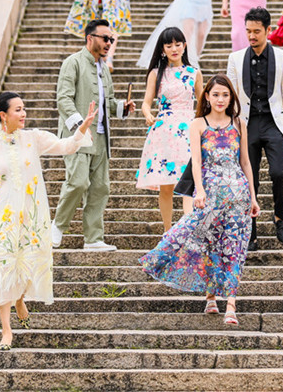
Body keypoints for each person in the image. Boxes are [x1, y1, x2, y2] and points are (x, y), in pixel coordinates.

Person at [0, 92, 97, 350]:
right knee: (3, 264)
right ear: (3, 115)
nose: (23, 113)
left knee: (29, 260)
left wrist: (83, 127)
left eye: (23, 108)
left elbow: (66, 146)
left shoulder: (33, 138)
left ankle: (20, 299)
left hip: (30, 214)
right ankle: (6, 330)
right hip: (0, 217)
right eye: (17, 109)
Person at [140, 74, 260, 326]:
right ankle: (210, 295)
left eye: (225, 95)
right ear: (206, 96)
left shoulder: (239, 123)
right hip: (210, 194)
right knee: (207, 243)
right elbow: (196, 161)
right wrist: (201, 191)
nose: (220, 99)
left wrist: (253, 196)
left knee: (234, 247)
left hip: (238, 195)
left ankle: (231, 304)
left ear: (231, 98)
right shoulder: (198, 124)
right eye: (216, 94)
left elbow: (246, 162)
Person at [52, 19, 137, 252]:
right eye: (105, 38)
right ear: (90, 38)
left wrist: (122, 107)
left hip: (100, 137)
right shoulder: (73, 62)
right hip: (78, 135)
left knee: (100, 188)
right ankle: (57, 226)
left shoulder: (104, 68)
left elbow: (108, 101)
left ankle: (93, 238)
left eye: (112, 39)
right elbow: (63, 98)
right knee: (78, 182)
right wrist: (80, 126)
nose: (109, 43)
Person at [226, 7, 283, 251]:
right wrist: (230, 128)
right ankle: (251, 231)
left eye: (256, 31)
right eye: (248, 31)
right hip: (247, 125)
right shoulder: (235, 59)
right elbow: (230, 96)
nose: (251, 36)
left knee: (278, 172)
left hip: (273, 123)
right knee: (250, 178)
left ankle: (280, 217)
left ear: (268, 30)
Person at [136, 27, 205, 231]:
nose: (174, 49)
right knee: (166, 186)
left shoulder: (194, 73)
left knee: (188, 182)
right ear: (162, 49)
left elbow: (202, 103)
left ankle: (186, 230)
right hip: (163, 131)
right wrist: (148, 114)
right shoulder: (156, 73)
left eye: (178, 44)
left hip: (188, 130)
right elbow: (146, 102)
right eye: (169, 45)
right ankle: (167, 231)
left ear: (184, 46)